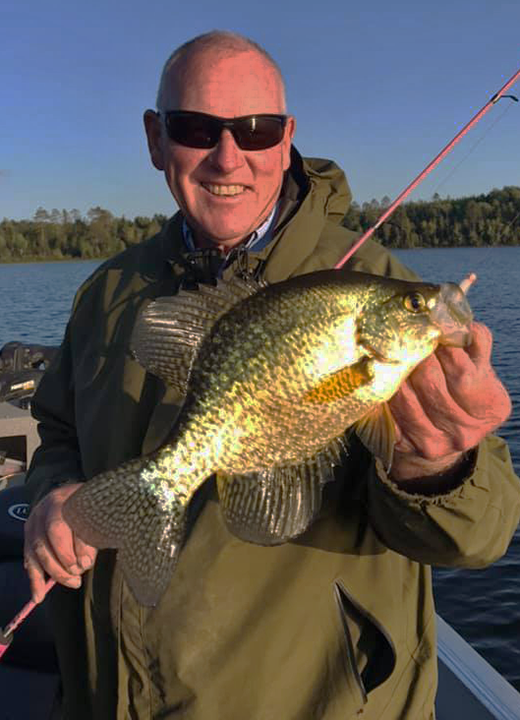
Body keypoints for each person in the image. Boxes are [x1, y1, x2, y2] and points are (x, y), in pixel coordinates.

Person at [24, 31, 519, 720]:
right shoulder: (109, 293)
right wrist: (54, 495)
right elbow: (56, 431)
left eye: (255, 130)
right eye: (196, 128)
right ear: (155, 139)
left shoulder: (376, 286)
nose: (229, 156)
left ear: (286, 138)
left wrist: (439, 465)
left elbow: (478, 536)